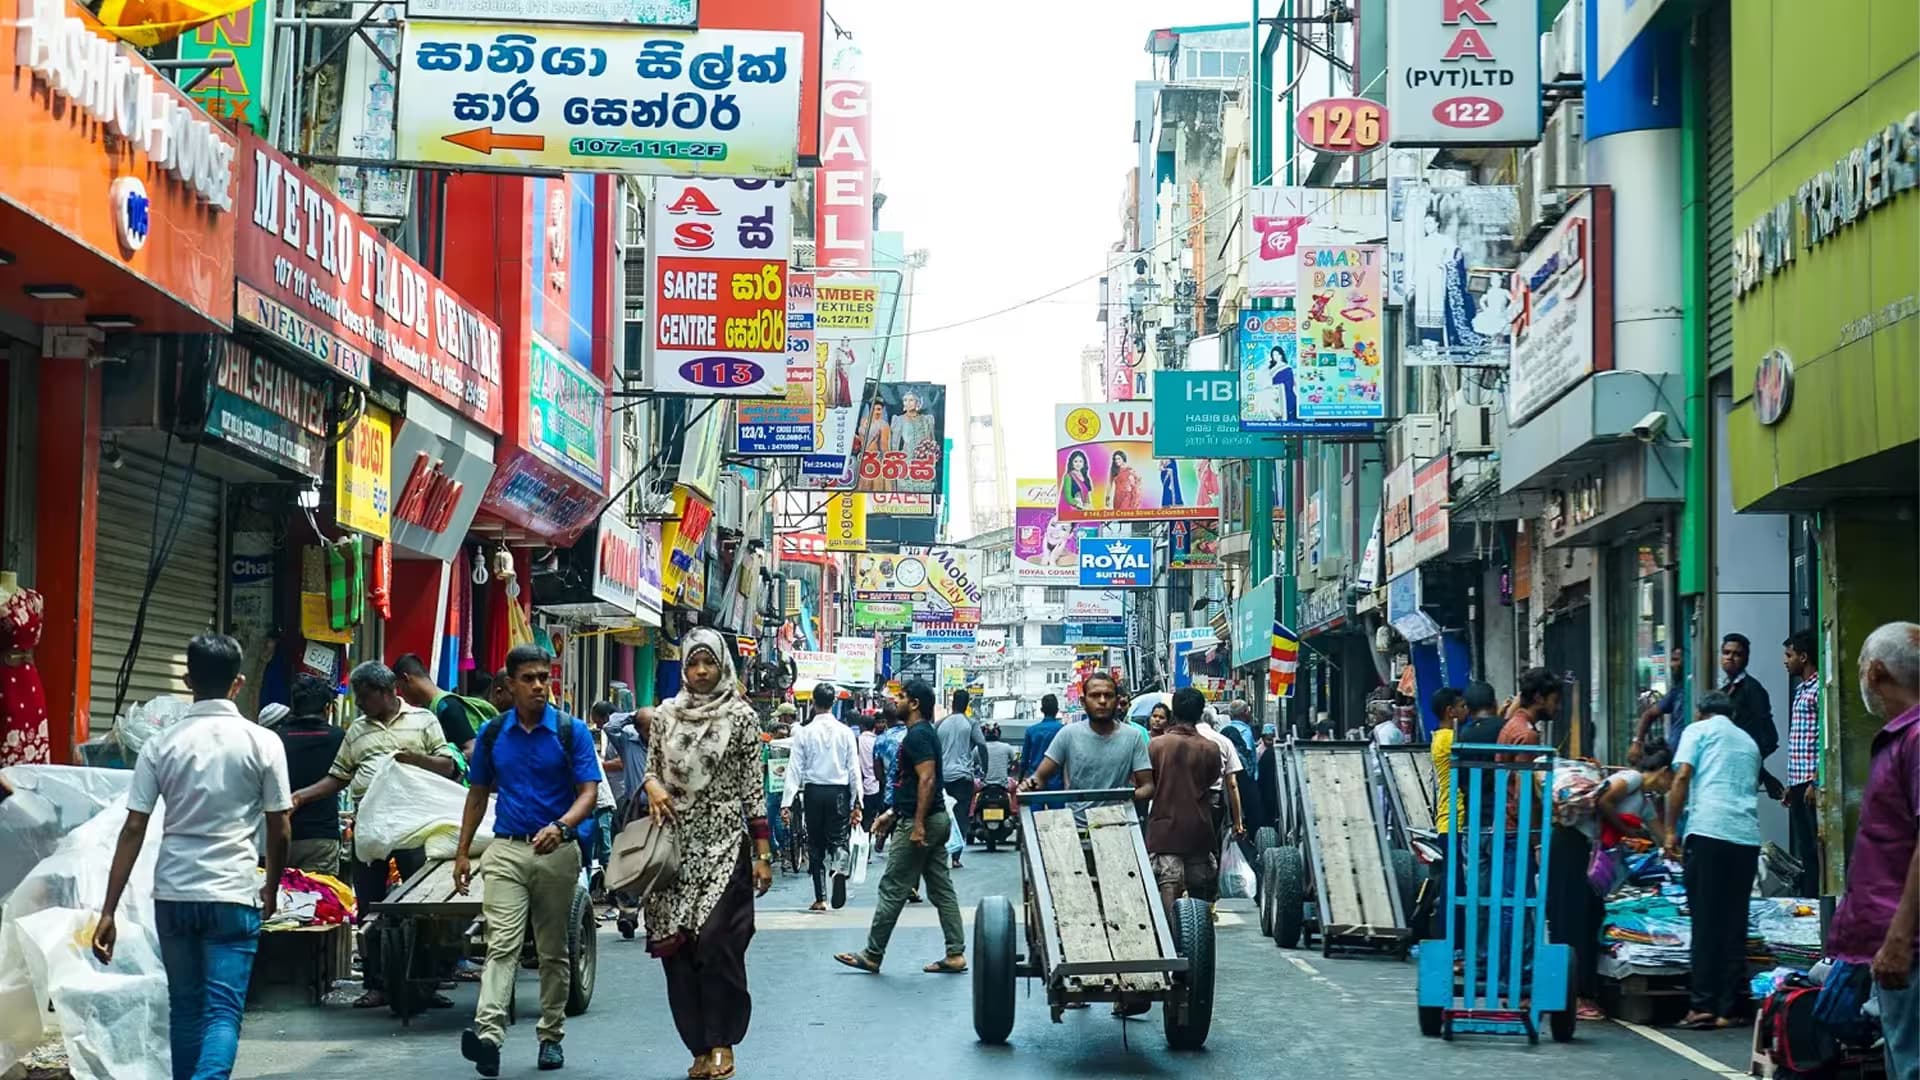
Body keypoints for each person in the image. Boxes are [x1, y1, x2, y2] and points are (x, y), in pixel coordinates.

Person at [92, 633, 291, 1080]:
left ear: (187, 680)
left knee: (184, 1007)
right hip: (233, 894)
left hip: (175, 894)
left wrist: (108, 910)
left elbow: (134, 827)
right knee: (222, 1012)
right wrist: (272, 887)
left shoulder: (160, 745)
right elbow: (280, 827)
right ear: (238, 683)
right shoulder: (263, 742)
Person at [452, 645, 600, 1077]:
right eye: (529, 678)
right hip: (506, 851)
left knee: (553, 951)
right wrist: (462, 852)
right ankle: (489, 1039)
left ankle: (551, 1035)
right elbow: (477, 794)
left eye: (544, 677)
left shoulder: (571, 732)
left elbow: (588, 792)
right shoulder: (495, 734)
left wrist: (562, 825)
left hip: (557, 852)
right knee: (502, 946)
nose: (539, 685)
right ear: (509, 685)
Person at [634, 629, 773, 1080]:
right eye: (692, 663)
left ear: (722, 666)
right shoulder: (666, 716)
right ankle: (697, 1045)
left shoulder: (742, 717)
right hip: (671, 845)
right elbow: (650, 770)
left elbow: (753, 786)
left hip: (723, 842)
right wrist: (652, 785)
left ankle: (722, 1041)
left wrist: (762, 851)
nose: (699, 672)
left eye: (707, 663)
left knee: (717, 942)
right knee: (679, 950)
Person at [291, 660, 457, 1009]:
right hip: (371, 828)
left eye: (365, 697)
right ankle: (376, 984)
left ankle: (426, 984)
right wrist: (300, 796)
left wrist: (415, 760)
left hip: (415, 827)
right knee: (370, 908)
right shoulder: (357, 730)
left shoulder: (424, 720)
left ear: (387, 691)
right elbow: (339, 776)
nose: (361, 704)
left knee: (422, 907)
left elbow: (448, 767)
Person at [1830, 623, 1919, 1080]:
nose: (1862, 677)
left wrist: (1900, 940)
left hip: (1911, 946)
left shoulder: (1917, 738)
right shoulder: (1901, 738)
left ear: (1879, 671)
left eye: (1863, 667)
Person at [836, 679, 966, 975]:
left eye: (903, 697)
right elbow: (911, 785)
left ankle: (872, 953)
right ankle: (955, 953)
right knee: (941, 888)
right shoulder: (919, 734)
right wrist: (892, 814)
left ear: (915, 704)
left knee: (893, 886)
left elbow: (927, 780)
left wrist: (916, 824)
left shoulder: (918, 736)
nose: (897, 701)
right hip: (929, 818)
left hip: (922, 822)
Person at [1664, 690, 1763, 1030]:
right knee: (1734, 923)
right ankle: (1729, 1007)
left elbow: (1681, 778)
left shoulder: (1698, 731)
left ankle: (1702, 1004)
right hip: (1746, 837)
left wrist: (1669, 831)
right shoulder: (1748, 741)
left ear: (1701, 712)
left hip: (1708, 831)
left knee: (1706, 921)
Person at [1019, 673, 1154, 823]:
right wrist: (1028, 785)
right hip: (1076, 826)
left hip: (1118, 826)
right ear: (1083, 701)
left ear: (1116, 701)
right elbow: (1040, 777)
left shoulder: (1133, 737)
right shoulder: (1068, 734)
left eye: (1108, 696)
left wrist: (1124, 797)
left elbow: (1148, 786)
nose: (1102, 701)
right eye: (1095, 695)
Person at [782, 684, 861, 911]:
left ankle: (821, 898)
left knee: (815, 844)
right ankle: (839, 867)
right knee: (839, 839)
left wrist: (787, 802)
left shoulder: (804, 732)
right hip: (839, 792)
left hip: (814, 792)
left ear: (814, 703)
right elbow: (854, 769)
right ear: (834, 702)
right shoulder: (845, 732)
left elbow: (794, 768)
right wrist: (858, 801)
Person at [1147, 689, 1223, 915]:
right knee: (1199, 886)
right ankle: (1199, 939)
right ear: (1200, 713)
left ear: (1173, 712)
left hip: (1164, 828)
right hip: (1199, 827)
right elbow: (1212, 781)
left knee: (1168, 883)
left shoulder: (1156, 746)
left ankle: (1172, 940)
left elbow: (1147, 784)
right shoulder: (1210, 748)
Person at [276, 674, 345, 876]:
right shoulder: (338, 738)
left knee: (282, 902)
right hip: (321, 839)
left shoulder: (277, 738)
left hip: (280, 836)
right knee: (320, 902)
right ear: (327, 708)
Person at [1781, 630, 1823, 897]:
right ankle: (1811, 900)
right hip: (1798, 781)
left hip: (1810, 783)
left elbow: (1824, 737)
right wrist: (1791, 784)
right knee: (1805, 848)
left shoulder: (1818, 690)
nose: (1785, 661)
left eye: (1789, 655)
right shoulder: (1801, 690)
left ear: (1804, 656)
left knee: (1815, 849)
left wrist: (1815, 781)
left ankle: (1819, 900)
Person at [1720, 632, 1786, 799]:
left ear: (1746, 659)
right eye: (1726, 653)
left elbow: (1769, 738)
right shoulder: (1723, 690)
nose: (1730, 658)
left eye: (1737, 654)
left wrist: (1755, 767)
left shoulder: (1753, 690)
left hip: (1741, 773)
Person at [394, 651, 494, 760]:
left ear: (406, 678)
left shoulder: (447, 707)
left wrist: (447, 763)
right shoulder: (430, 708)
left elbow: (472, 749)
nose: (401, 695)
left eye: (400, 688)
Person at [936, 688, 986, 863]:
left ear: (952, 703)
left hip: (942, 777)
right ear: (967, 704)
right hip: (963, 777)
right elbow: (982, 744)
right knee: (961, 815)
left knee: (941, 815)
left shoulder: (940, 723)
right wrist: (985, 769)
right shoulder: (971, 723)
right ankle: (956, 857)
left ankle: (941, 852)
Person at [1020, 693, 1066, 791]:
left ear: (1041, 710)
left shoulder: (1031, 731)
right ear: (1057, 711)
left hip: (1035, 781)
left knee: (1036, 805)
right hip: (1056, 782)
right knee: (1058, 807)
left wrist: (1020, 781)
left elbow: (1024, 760)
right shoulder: (1064, 730)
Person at [856, 713, 884, 829]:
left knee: (862, 820)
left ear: (861, 726)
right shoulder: (878, 741)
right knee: (872, 818)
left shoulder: (857, 740)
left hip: (861, 786)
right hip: (876, 786)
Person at [974, 721, 1017, 789]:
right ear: (998, 733)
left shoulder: (978, 748)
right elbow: (1015, 762)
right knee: (1014, 787)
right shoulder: (1007, 747)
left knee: (971, 790)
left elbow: (972, 764)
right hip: (1003, 785)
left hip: (983, 785)